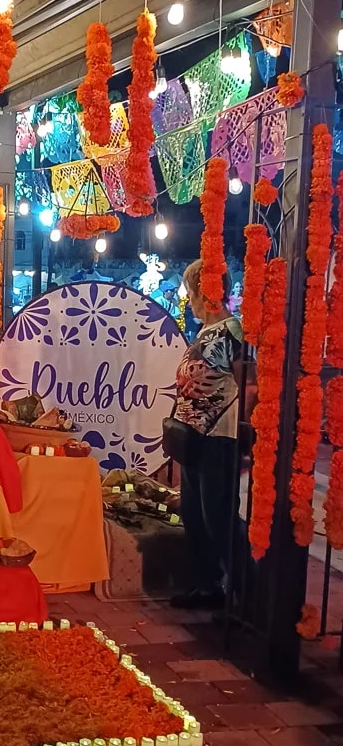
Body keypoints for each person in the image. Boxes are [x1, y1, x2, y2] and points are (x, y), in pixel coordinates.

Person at [170, 259, 243, 610]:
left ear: (206, 292)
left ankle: (247, 593)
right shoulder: (204, 331)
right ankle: (208, 583)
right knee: (194, 514)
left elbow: (248, 384)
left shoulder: (232, 332)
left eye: (191, 292)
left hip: (218, 437)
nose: (189, 300)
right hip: (193, 439)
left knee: (218, 516)